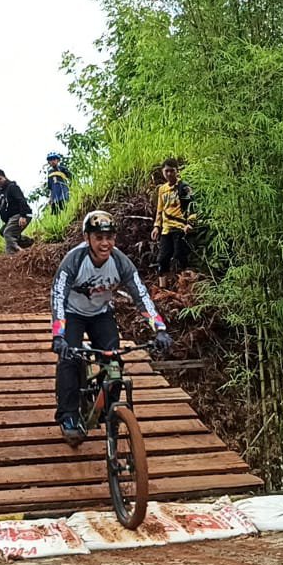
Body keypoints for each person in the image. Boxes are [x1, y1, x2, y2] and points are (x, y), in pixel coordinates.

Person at [51, 210, 173, 443]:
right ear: (87, 238)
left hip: (101, 313)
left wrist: (160, 329)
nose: (105, 243)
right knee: (69, 360)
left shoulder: (120, 262)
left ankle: (110, 410)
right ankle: (68, 416)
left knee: (114, 361)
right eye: (98, 237)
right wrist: (59, 336)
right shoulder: (74, 260)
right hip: (72, 313)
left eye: (109, 237)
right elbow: (58, 295)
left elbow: (141, 295)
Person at [150, 158, 195, 289]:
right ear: (162, 172)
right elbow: (160, 210)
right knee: (162, 259)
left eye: (172, 171)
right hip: (166, 229)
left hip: (180, 227)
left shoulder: (184, 187)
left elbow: (192, 207)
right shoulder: (162, 189)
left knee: (180, 256)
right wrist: (156, 226)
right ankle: (162, 289)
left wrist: (190, 223)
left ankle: (185, 288)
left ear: (177, 171)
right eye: (166, 171)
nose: (169, 174)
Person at [0, 169, 34, 253]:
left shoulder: (12, 187)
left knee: (8, 233)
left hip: (21, 214)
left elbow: (21, 200)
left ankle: (13, 254)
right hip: (11, 217)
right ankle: (28, 242)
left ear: (4, 177)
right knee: (3, 231)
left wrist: (23, 216)